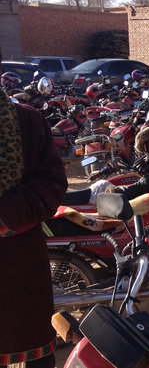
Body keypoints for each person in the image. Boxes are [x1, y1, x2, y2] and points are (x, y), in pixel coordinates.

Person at [0, 88, 68, 368]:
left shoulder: (26, 121)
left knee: (33, 350)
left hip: (18, 263)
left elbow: (51, 184)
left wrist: (5, 216)